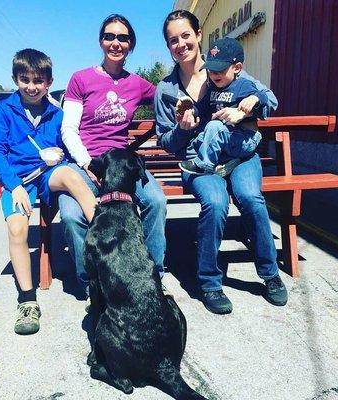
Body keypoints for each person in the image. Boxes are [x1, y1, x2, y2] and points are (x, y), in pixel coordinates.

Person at [155, 10, 288, 314]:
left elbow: (267, 98)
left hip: (240, 155)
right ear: (168, 46)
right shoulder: (165, 90)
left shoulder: (224, 66)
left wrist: (247, 111)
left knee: (251, 199)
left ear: (198, 35)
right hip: (199, 162)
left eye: (186, 35)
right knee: (215, 204)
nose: (181, 44)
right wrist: (182, 129)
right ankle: (210, 282)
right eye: (173, 40)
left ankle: (270, 273)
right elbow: (165, 141)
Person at [58, 14, 167, 305]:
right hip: (86, 161)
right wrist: (85, 164)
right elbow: (68, 128)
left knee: (156, 201)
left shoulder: (137, 84)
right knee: (70, 216)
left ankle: (152, 276)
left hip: (121, 163)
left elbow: (166, 97)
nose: (115, 43)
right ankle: (92, 283)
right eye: (110, 36)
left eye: (123, 38)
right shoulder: (81, 79)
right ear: (100, 40)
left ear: (131, 45)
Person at [0, 48, 97, 335]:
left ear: (49, 82)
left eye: (38, 80)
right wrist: (14, 187)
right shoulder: (4, 111)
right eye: (25, 79)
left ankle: (104, 234)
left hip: (47, 174)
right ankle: (27, 300)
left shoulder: (56, 113)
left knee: (73, 178)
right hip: (18, 180)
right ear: (15, 79)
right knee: (17, 229)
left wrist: (61, 157)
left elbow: (67, 146)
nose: (32, 86)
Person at [179, 37, 269, 176]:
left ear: (237, 68)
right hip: (227, 139)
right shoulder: (212, 89)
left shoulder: (242, 86)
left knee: (214, 127)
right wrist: (191, 111)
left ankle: (204, 166)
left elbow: (263, 97)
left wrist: (254, 98)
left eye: (220, 69)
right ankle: (229, 162)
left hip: (244, 139)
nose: (214, 74)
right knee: (200, 138)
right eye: (211, 69)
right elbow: (202, 106)